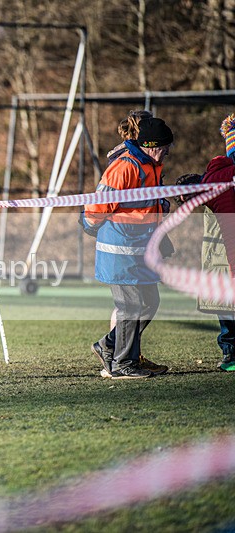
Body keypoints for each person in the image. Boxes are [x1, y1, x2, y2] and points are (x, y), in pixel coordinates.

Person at [81, 117, 175, 379]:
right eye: (165, 146)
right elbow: (98, 206)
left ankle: (109, 346)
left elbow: (143, 203)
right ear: (152, 145)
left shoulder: (152, 165)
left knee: (149, 303)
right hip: (120, 250)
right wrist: (89, 224)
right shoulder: (125, 166)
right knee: (131, 306)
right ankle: (123, 363)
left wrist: (162, 206)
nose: (168, 150)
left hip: (140, 249)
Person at [174, 113, 235, 371]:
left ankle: (230, 353)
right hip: (223, 252)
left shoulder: (213, 177)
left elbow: (191, 195)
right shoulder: (218, 177)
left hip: (220, 255)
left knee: (227, 307)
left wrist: (190, 188)